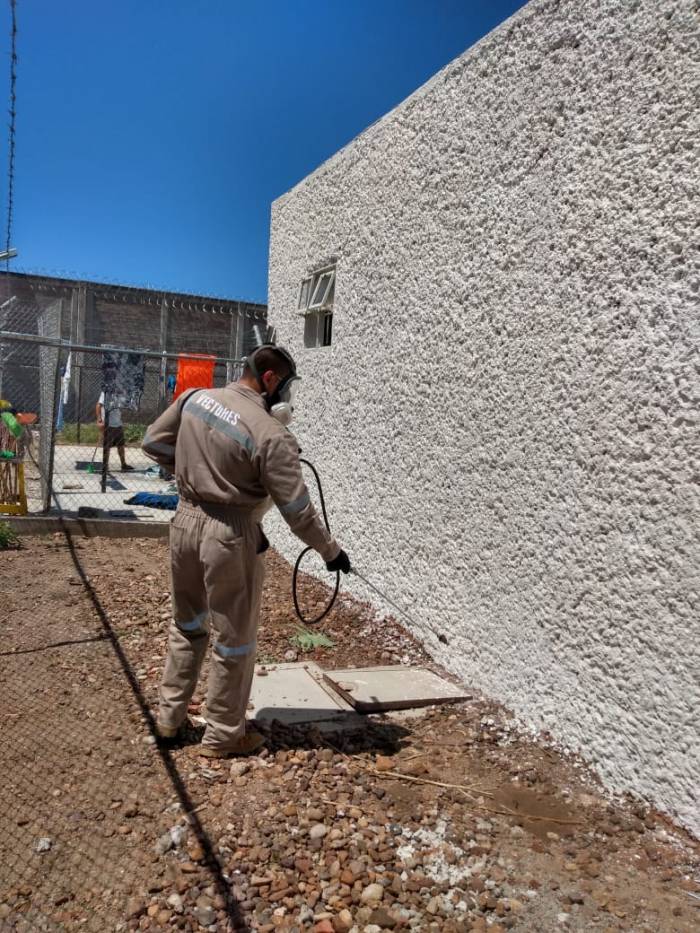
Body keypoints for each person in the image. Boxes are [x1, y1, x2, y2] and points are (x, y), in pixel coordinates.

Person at [142, 344, 351, 758]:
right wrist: (331, 552)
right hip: (230, 534)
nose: (286, 396)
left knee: (187, 625)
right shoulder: (271, 433)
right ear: (270, 379)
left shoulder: (194, 398)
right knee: (233, 639)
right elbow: (298, 513)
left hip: (184, 523)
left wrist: (192, 473)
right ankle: (223, 735)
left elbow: (153, 443)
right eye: (285, 386)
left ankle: (168, 719)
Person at [96, 392, 134, 472]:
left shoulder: (121, 393)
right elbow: (98, 405)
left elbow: (124, 405)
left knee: (121, 445)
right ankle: (105, 465)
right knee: (107, 446)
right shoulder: (106, 392)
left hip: (118, 423)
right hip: (108, 424)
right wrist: (99, 420)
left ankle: (123, 464)